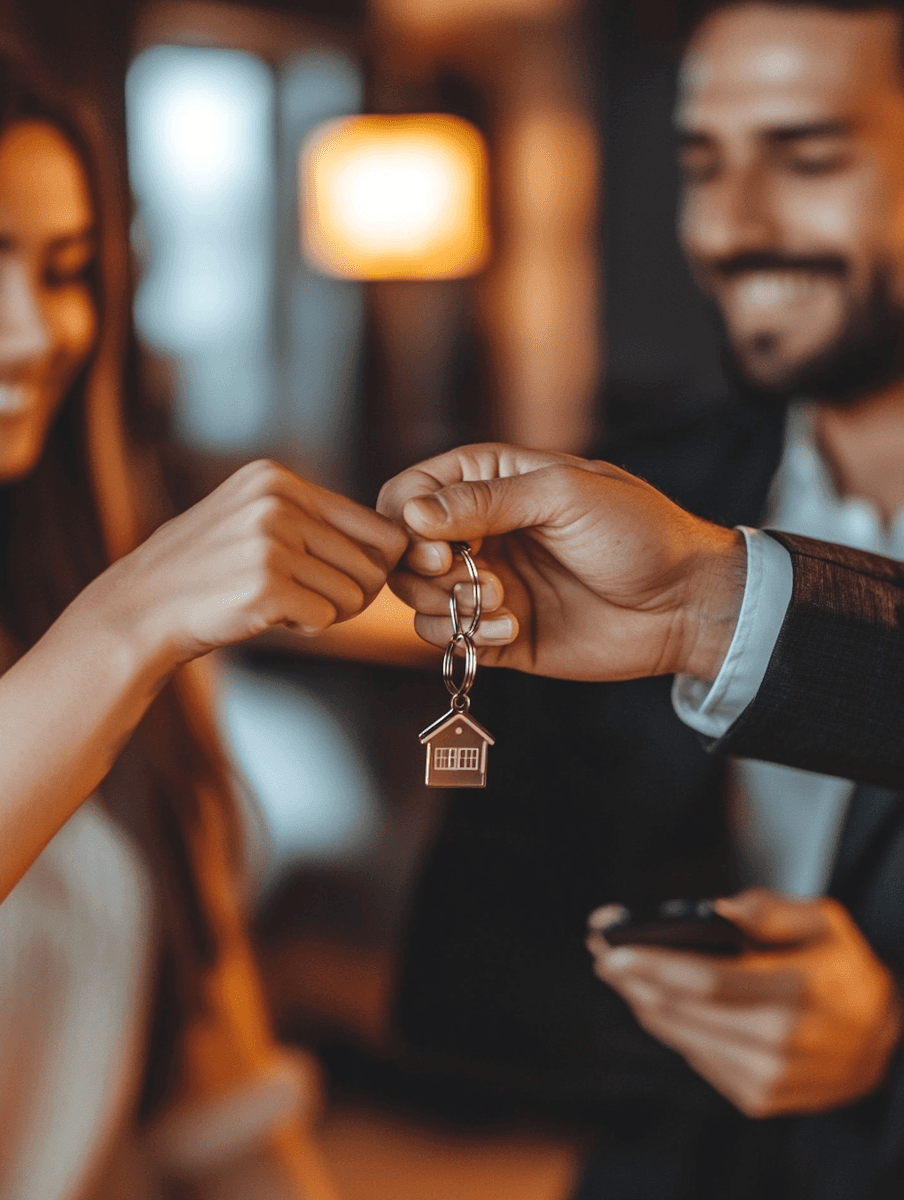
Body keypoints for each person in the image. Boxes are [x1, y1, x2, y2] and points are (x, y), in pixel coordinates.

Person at [379, 4, 904, 1198]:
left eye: (808, 157)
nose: (730, 226)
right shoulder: (626, 499)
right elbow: (457, 977)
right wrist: (700, 1007)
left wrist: (884, 1049)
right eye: (702, 164)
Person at [0, 46, 407, 1200]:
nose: (35, 332)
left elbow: (221, 1111)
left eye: (66, 269)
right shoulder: (121, 630)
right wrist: (126, 619)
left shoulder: (122, 641)